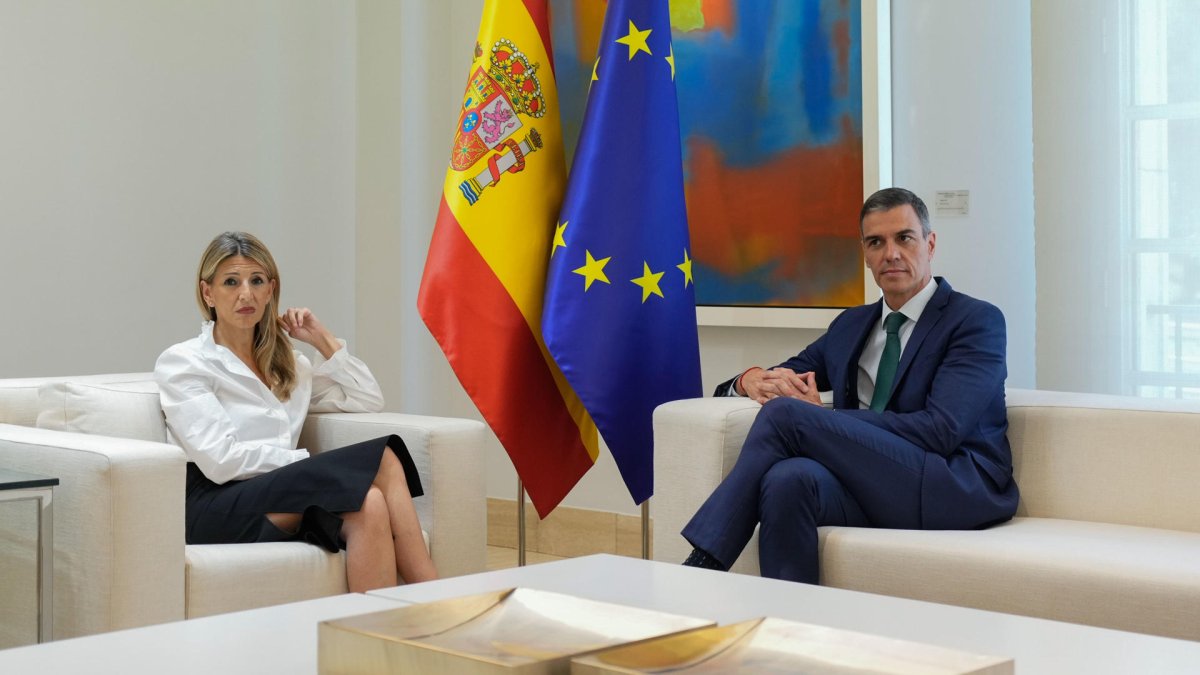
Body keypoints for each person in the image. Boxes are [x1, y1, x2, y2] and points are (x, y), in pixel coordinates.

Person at [681, 187, 1019, 583]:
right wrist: (747, 380)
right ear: (864, 253)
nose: (890, 253)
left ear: (929, 243)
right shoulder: (851, 326)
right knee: (787, 480)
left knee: (788, 416)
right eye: (876, 242)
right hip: (872, 482)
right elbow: (788, 375)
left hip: (950, 485)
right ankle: (791, 626)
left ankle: (700, 569)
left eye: (904, 238)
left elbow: (941, 430)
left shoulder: (975, 321)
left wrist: (827, 418)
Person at [155, 231, 436, 592]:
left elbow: (366, 397)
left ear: (271, 290)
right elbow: (220, 461)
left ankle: (369, 636)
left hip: (279, 495)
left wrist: (321, 338)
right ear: (208, 293)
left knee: (370, 502)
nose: (246, 294)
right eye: (230, 282)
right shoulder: (186, 361)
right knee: (381, 457)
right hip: (214, 505)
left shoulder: (289, 365)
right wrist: (305, 466)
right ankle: (434, 595)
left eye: (257, 281)